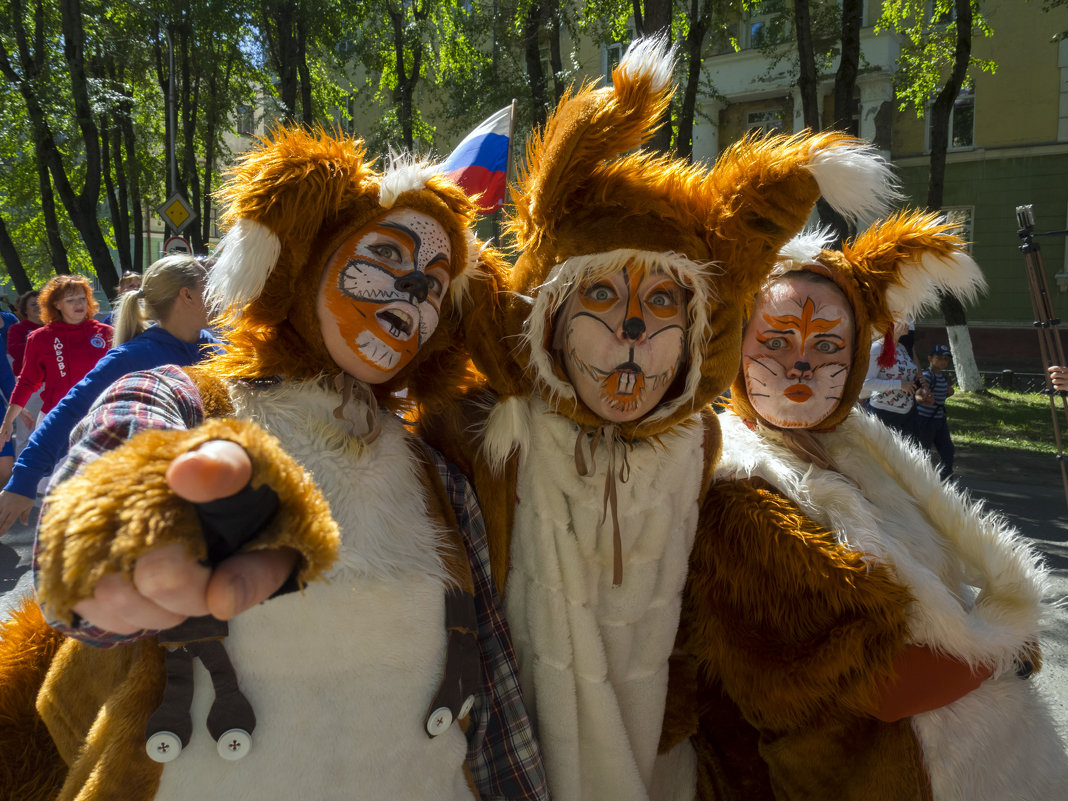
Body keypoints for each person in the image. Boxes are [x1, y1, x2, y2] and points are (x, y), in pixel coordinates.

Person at [0, 127, 549, 801]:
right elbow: (116, 461)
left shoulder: (439, 474)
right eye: (385, 256)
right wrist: (127, 535)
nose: (412, 293)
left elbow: (493, 693)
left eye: (435, 285)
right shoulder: (185, 398)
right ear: (305, 264)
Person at [419, 38, 900, 801]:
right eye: (603, 297)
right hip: (508, 759)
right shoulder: (485, 424)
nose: (635, 329)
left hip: (657, 761)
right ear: (548, 316)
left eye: (665, 300)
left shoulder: (701, 441)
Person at [681, 214, 1067, 800]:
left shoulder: (859, 449)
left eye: (828, 344)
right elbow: (874, 684)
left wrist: (994, 638)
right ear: (734, 346)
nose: (801, 364)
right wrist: (1001, 647)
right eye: (777, 341)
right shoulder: (740, 492)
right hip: (889, 780)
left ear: (860, 354)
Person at [0, 255, 219, 536]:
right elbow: (69, 412)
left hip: (216, 492)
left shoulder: (218, 350)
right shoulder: (131, 357)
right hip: (161, 503)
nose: (222, 293)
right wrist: (23, 481)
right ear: (187, 295)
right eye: (211, 286)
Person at [0, 275, 112, 445]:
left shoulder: (106, 333)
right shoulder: (40, 338)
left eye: (82, 298)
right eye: (70, 300)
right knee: (54, 472)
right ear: (56, 304)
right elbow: (27, 382)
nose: (79, 304)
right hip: (56, 419)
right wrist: (8, 420)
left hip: (99, 418)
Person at [862, 318, 922, 439]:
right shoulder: (877, 348)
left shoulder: (902, 348)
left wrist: (918, 382)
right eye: (904, 319)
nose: (909, 323)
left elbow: (905, 378)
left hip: (907, 414)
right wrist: (899, 384)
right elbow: (866, 383)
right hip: (883, 414)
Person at [917, 343, 955, 480]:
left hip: (939, 419)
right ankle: (920, 479)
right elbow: (918, 394)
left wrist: (949, 393)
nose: (943, 361)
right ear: (930, 358)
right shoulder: (926, 376)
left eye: (946, 359)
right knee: (923, 452)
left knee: (948, 450)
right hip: (925, 420)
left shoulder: (944, 378)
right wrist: (922, 398)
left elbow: (941, 395)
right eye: (939, 358)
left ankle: (945, 479)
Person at [7, 289, 43, 376]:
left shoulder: (55, 326)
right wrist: (35, 342)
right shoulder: (17, 329)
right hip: (30, 378)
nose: (38, 306)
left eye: (41, 303)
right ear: (25, 310)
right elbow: (15, 352)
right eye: (33, 304)